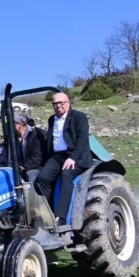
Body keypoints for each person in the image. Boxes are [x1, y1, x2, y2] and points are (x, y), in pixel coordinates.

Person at [34, 93, 93, 224]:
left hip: (76, 156)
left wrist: (73, 158)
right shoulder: (52, 119)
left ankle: (61, 217)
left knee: (66, 174)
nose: (58, 106)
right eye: (55, 103)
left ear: (68, 102)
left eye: (62, 103)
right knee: (42, 178)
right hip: (57, 157)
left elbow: (83, 139)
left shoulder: (78, 117)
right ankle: (46, 214)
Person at [0, 114, 44, 182]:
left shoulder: (35, 136)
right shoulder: (11, 139)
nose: (9, 127)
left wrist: (24, 167)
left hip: (31, 168)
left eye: (12, 124)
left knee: (30, 174)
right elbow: (3, 155)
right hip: (14, 169)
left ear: (19, 125)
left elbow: (37, 157)